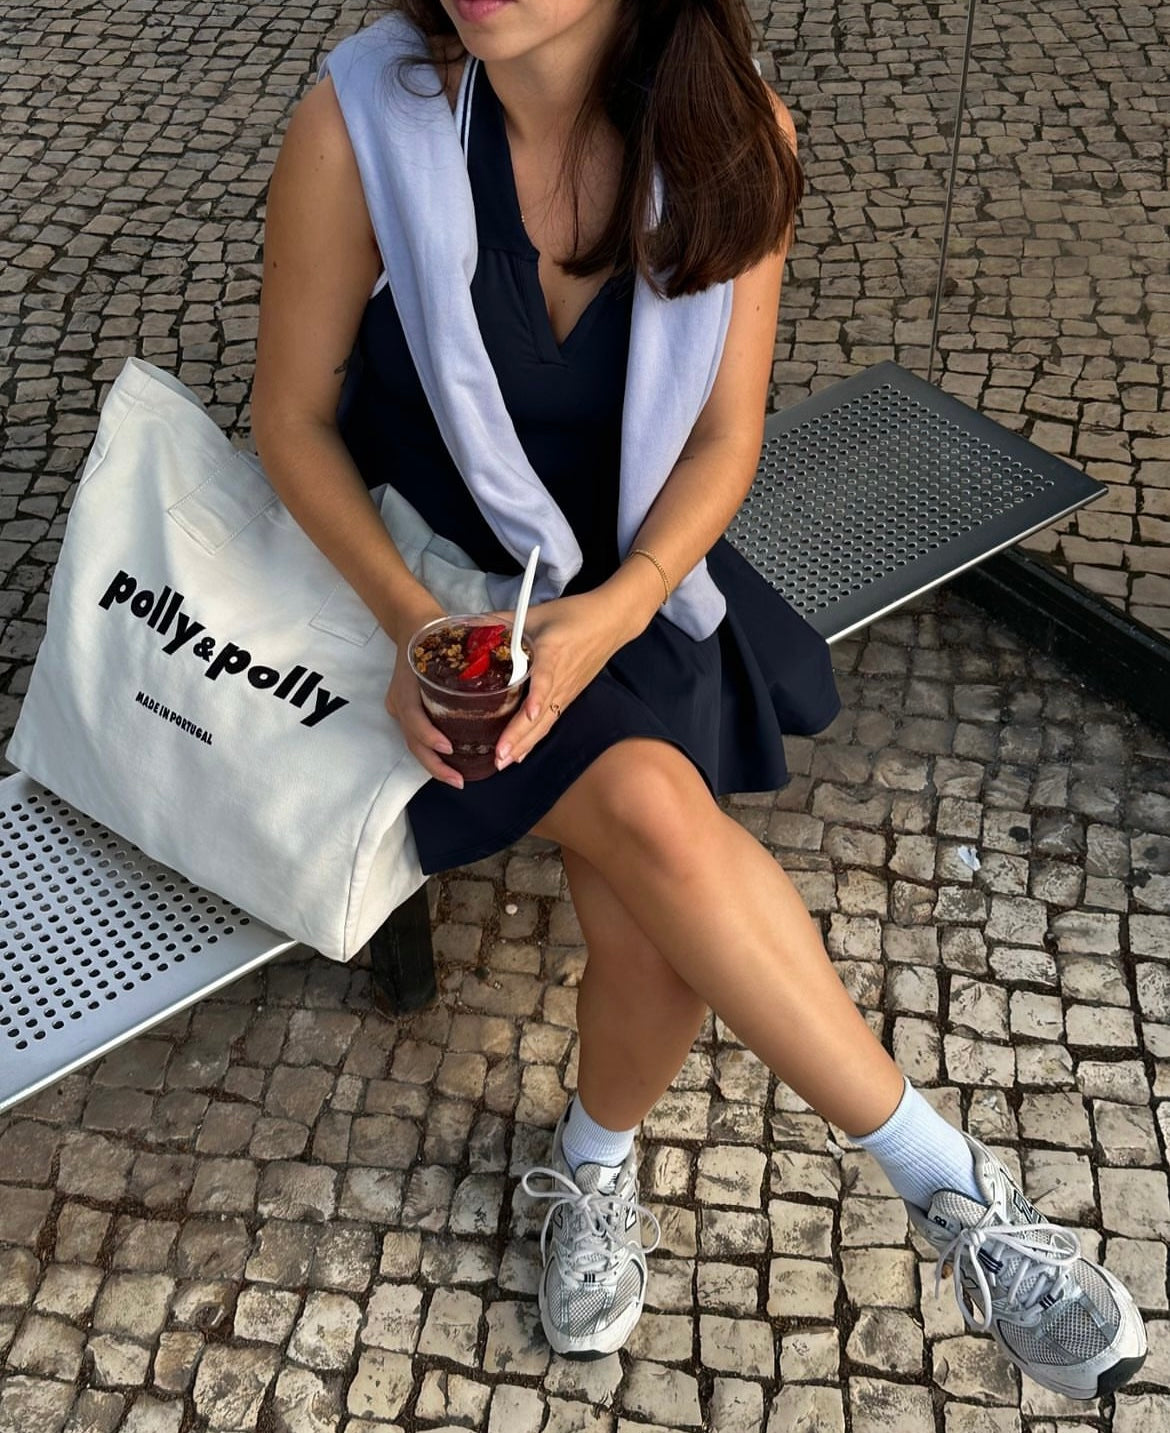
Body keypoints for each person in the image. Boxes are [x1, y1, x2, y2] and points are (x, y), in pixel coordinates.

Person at [250, 0, 1146, 1397]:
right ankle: (947, 1195)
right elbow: (288, 418)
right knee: (664, 834)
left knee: (657, 906)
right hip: (428, 583)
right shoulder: (362, 117)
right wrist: (418, 625)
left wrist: (616, 611)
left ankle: (613, 1167)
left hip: (629, 579)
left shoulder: (732, 140)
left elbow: (724, 436)